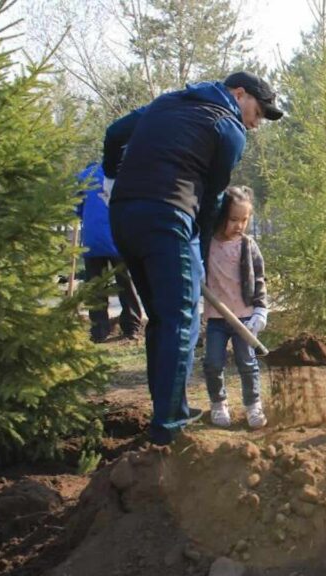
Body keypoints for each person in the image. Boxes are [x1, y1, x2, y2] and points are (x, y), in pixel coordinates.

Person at [102, 71, 283, 445]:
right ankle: (169, 430)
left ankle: (169, 411)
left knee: (162, 320)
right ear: (239, 93)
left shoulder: (167, 101)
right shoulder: (229, 128)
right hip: (168, 217)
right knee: (181, 321)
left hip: (123, 216)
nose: (257, 122)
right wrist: (198, 255)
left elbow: (115, 133)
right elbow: (213, 200)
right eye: (259, 111)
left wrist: (111, 174)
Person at [203, 186, 268, 430]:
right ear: (221, 216)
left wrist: (260, 310)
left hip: (244, 318)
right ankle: (218, 404)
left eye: (244, 220)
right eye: (233, 219)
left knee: (247, 362)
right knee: (212, 362)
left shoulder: (247, 245)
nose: (239, 225)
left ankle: (253, 406)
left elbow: (259, 278)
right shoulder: (206, 243)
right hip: (216, 319)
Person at [76, 162, 143, 342]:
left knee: (96, 285)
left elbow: (78, 208)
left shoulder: (84, 175)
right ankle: (131, 328)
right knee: (126, 283)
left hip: (92, 239)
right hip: (118, 237)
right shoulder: (126, 173)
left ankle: (99, 331)